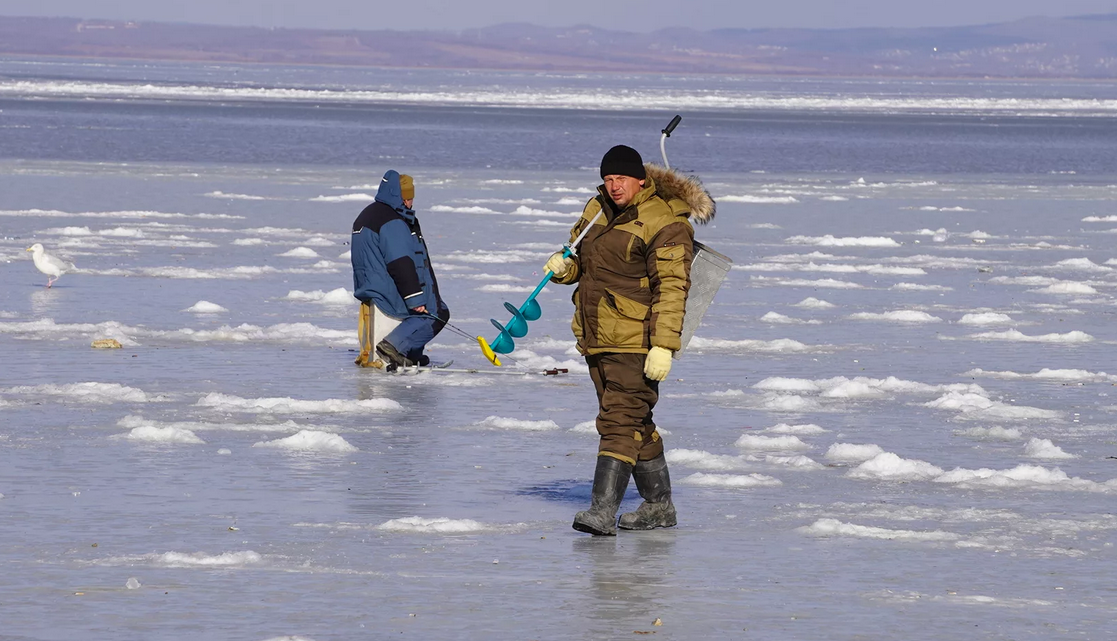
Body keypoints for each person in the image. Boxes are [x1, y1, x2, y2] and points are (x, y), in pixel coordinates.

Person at [547, 144, 714, 535]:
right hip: (597, 334)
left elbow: (673, 288)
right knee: (635, 419)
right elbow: (581, 262)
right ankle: (659, 506)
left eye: (621, 178)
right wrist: (564, 267)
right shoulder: (596, 209)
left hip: (637, 340)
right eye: (608, 178)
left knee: (618, 422)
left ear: (641, 179)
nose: (614, 185)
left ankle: (602, 512)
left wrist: (663, 345)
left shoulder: (665, 222)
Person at [351, 170, 450, 370]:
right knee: (437, 313)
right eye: (409, 198)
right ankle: (395, 346)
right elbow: (400, 262)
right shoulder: (393, 221)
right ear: (401, 198)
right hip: (387, 289)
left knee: (431, 308)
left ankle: (412, 354)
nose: (410, 203)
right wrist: (415, 298)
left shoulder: (370, 213)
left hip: (371, 286)